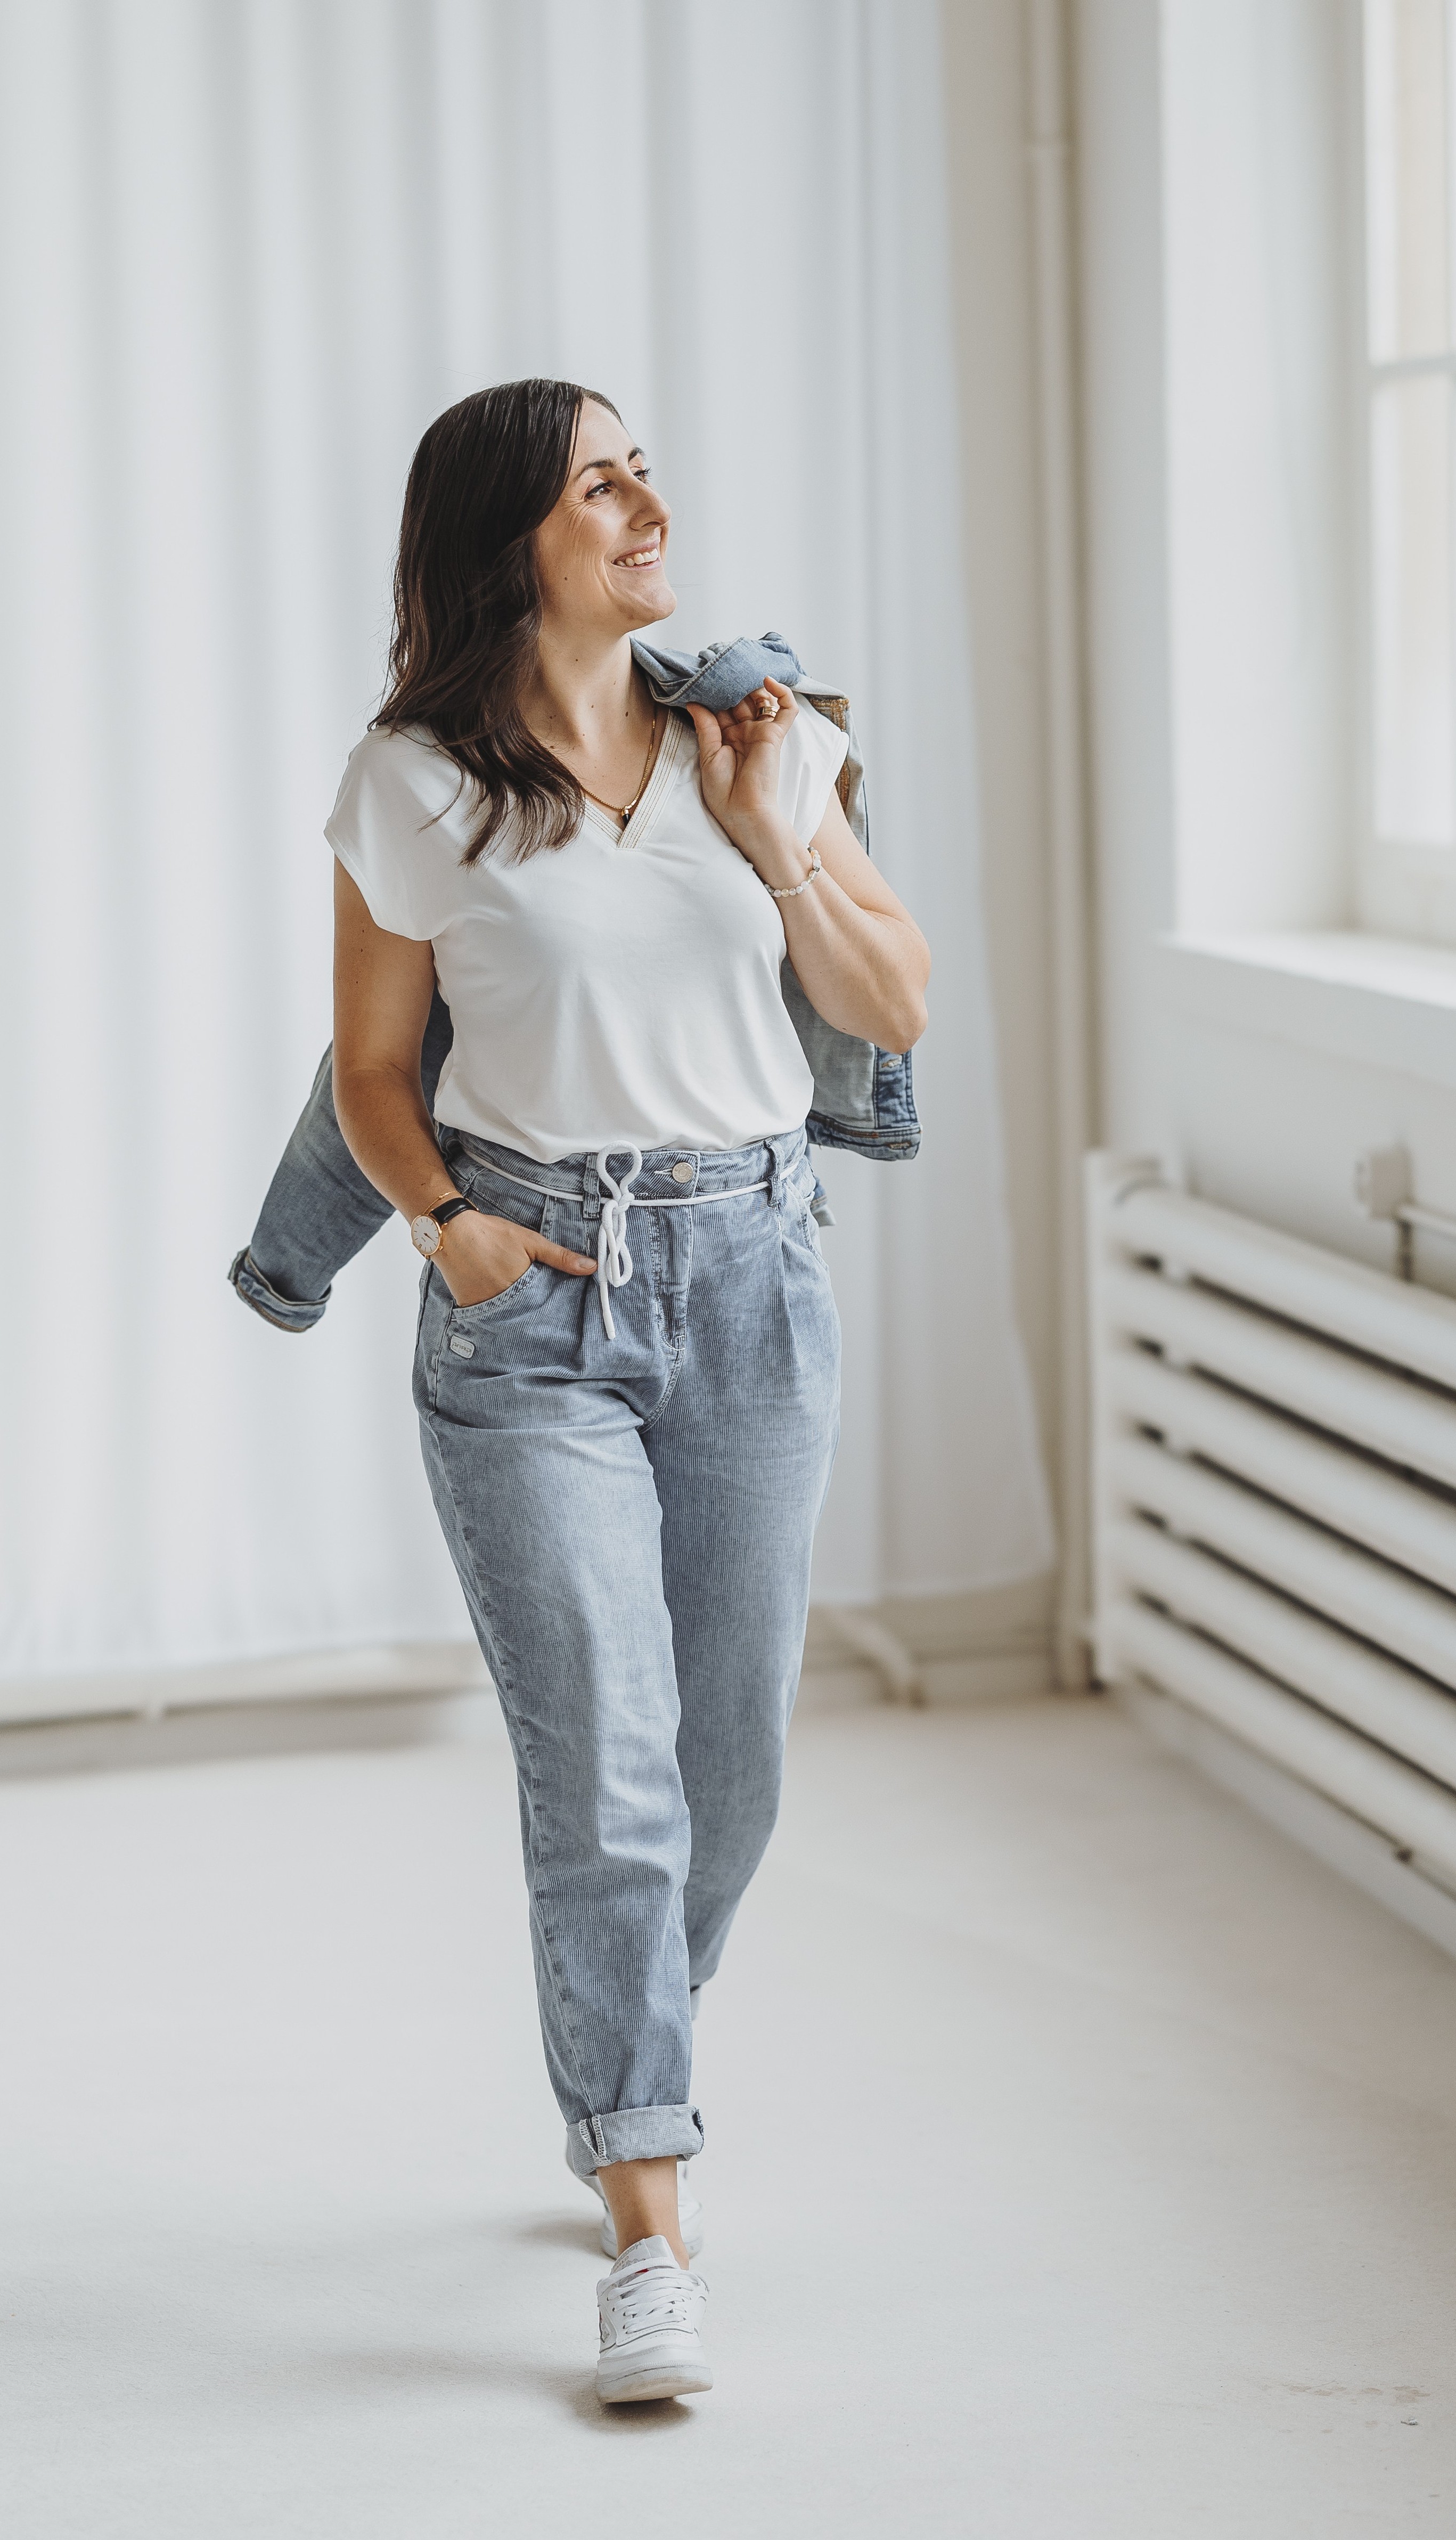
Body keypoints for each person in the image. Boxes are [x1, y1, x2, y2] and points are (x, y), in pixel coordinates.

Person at [326, 378, 930, 2404]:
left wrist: (778, 845)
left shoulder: (762, 733)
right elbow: (371, 1074)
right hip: (534, 1304)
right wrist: (445, 1227)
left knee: (725, 1767)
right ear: (509, 535)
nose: (647, 506)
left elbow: (893, 1002)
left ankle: (620, 2051)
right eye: (600, 483)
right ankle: (649, 2224)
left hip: (752, 1275)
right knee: (605, 1773)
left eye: (643, 469)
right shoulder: (414, 782)